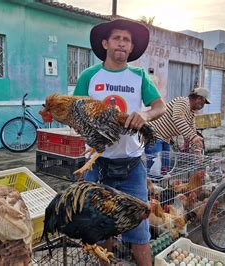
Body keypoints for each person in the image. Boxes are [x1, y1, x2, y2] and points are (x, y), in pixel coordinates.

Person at [73, 19, 166, 266]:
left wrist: (144, 115)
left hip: (132, 166)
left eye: (127, 40)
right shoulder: (89, 76)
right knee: (102, 228)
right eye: (117, 38)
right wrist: (91, 126)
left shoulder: (138, 76)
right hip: (96, 164)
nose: (122, 43)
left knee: (139, 232)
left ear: (131, 47)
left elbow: (159, 107)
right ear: (105, 43)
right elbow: (75, 112)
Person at [146, 88, 209, 170]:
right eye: (204, 102)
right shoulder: (183, 102)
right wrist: (193, 137)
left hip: (165, 139)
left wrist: (196, 149)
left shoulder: (191, 113)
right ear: (199, 98)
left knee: (165, 168)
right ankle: (150, 181)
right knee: (154, 169)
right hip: (154, 135)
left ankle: (159, 181)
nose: (203, 105)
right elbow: (178, 118)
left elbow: (192, 130)